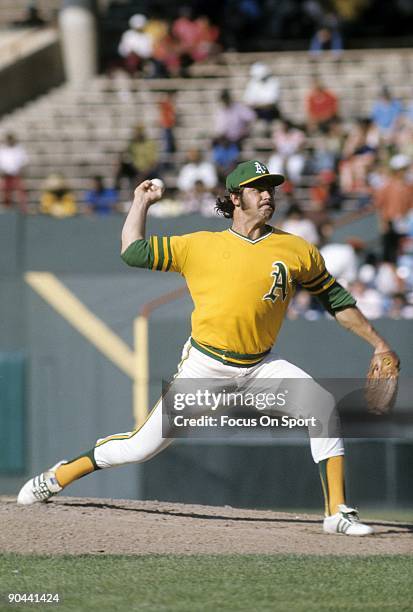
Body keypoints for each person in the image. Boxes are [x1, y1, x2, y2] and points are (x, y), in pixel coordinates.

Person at [17, 160, 399, 537]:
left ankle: (336, 512)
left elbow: (335, 300)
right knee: (139, 448)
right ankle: (57, 476)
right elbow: (132, 251)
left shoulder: (296, 249)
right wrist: (141, 203)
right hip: (206, 367)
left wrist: (378, 342)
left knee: (322, 405)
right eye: (257, 187)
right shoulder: (199, 246)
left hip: (262, 366)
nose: (267, 194)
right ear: (235, 198)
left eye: (270, 187)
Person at [0, 133, 28, 212]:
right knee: (6, 193)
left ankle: (23, 209)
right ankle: (7, 209)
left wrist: (20, 170)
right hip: (5, 175)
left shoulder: (19, 149)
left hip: (16, 174)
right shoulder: (2, 150)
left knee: (21, 192)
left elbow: (24, 161)